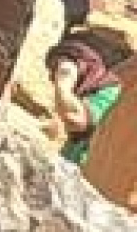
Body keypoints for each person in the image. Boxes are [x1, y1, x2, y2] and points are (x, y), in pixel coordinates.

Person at [50, 36, 122, 168]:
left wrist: (63, 80)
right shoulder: (87, 97)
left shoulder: (111, 93)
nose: (53, 77)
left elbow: (75, 118)